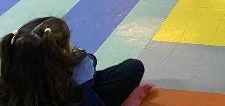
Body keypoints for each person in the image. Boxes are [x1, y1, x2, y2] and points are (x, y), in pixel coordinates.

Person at [0, 16, 149, 106]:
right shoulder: (75, 75)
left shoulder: (12, 70)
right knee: (132, 68)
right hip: (74, 95)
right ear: (60, 51)